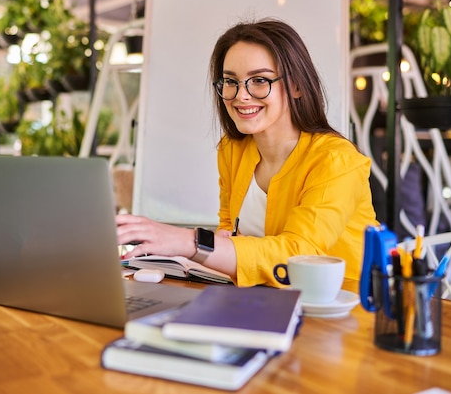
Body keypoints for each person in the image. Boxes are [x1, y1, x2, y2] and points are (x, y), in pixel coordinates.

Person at [116, 18, 378, 287]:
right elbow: (229, 232)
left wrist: (187, 242)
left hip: (344, 311)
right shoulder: (233, 151)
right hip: (264, 303)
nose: (241, 95)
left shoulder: (336, 161)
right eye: (231, 81)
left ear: (297, 86)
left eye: (259, 80)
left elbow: (300, 254)